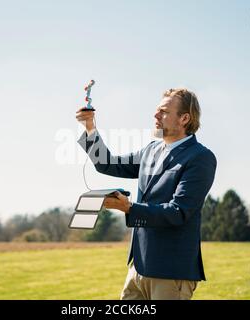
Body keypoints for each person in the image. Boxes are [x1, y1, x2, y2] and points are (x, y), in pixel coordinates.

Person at [75, 88, 217, 300]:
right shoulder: (150, 150)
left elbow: (178, 212)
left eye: (164, 111)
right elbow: (107, 163)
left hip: (171, 272)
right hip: (138, 268)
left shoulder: (200, 157)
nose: (156, 115)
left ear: (184, 118)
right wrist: (89, 128)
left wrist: (129, 208)